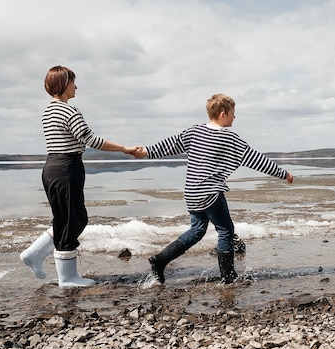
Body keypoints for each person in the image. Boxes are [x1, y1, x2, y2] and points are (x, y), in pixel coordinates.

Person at [132, 93, 294, 285]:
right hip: (210, 191)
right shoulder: (229, 138)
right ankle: (228, 276)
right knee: (226, 230)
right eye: (233, 113)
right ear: (223, 114)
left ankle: (159, 260)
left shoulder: (195, 131)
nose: (235, 117)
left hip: (192, 192)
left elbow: (168, 145)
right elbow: (257, 160)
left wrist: (145, 152)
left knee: (197, 231)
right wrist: (283, 174)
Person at [20, 66, 139, 288]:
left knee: (66, 219)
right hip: (67, 167)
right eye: (73, 82)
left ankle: (35, 253)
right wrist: (125, 148)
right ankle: (67, 278)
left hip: (53, 166)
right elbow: (91, 140)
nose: (76, 86)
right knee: (72, 220)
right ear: (63, 84)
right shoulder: (69, 111)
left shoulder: (48, 110)